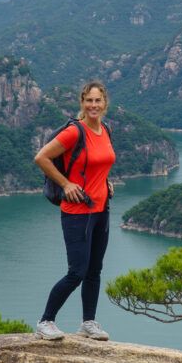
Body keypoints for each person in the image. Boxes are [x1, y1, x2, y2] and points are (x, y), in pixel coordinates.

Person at [33, 80, 117, 341]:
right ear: (82, 102)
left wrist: (105, 182)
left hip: (101, 210)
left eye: (98, 100)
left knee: (94, 270)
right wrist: (66, 183)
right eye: (89, 100)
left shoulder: (106, 130)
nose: (93, 105)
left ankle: (88, 323)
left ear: (104, 103)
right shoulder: (74, 132)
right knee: (77, 272)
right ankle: (45, 321)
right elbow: (41, 157)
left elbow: (98, 164)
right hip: (77, 212)